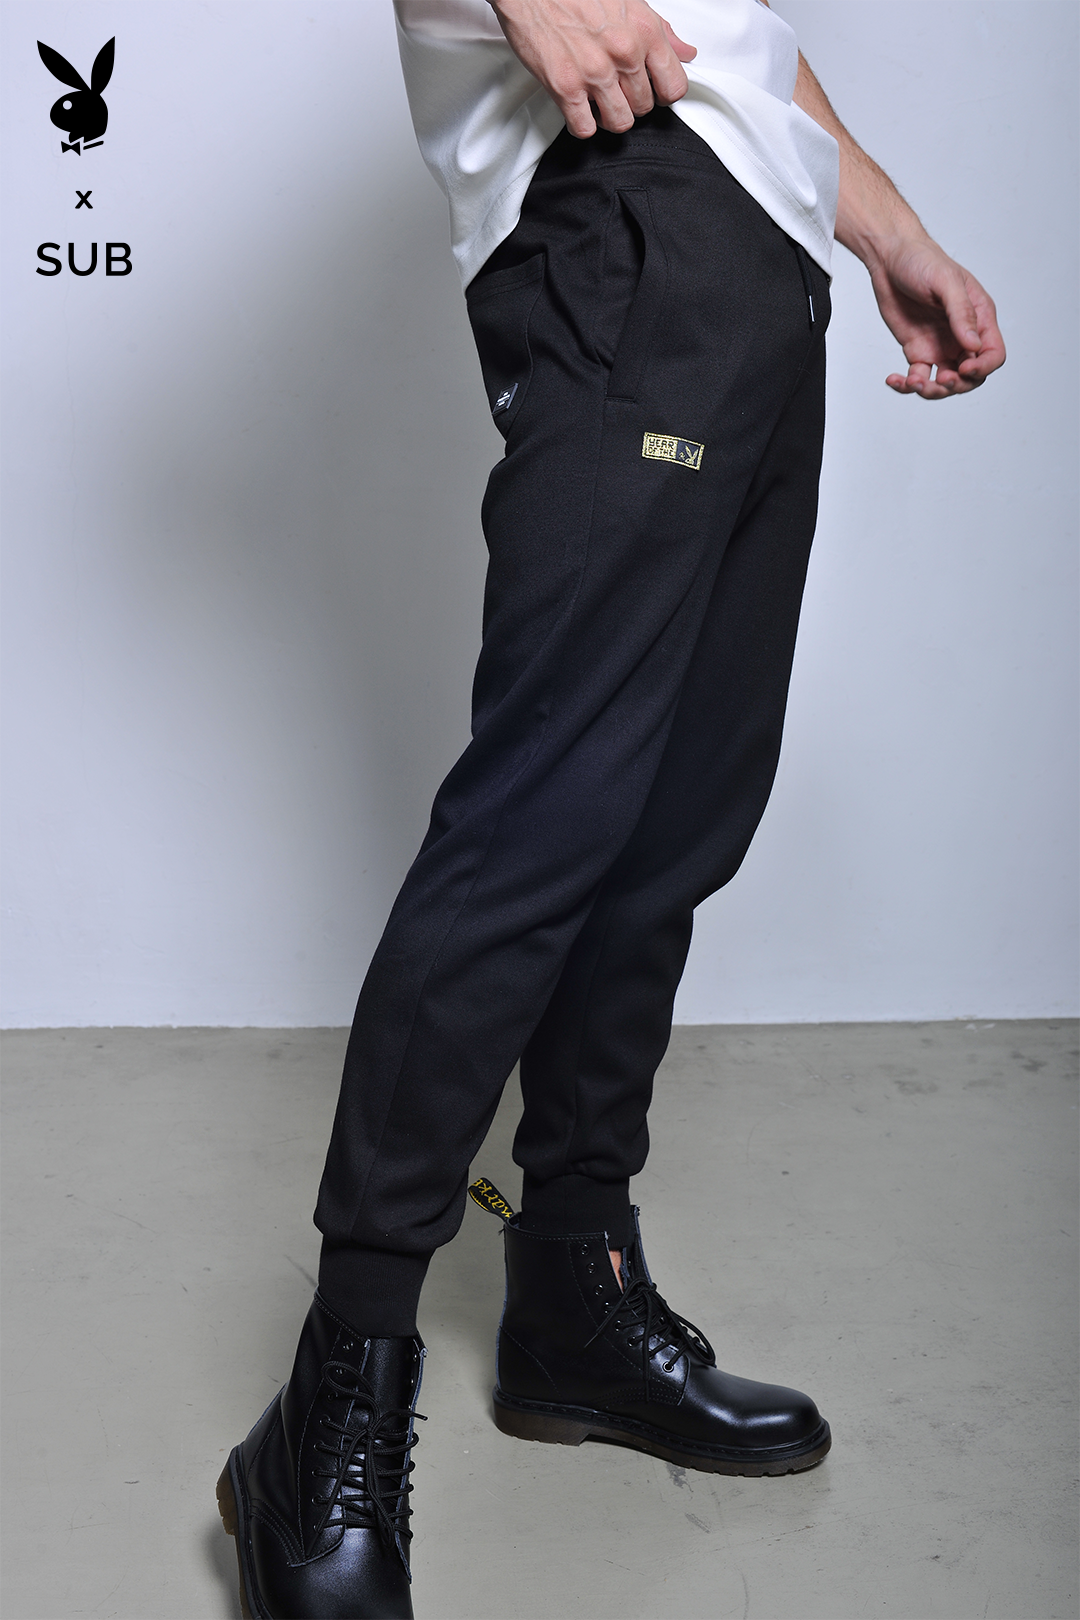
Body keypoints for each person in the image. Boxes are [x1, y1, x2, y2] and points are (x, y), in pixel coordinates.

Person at [216, 2, 1006, 1616]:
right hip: (623, 220)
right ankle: (331, 1400)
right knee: (539, 822)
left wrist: (885, 227)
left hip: (757, 252)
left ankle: (575, 1293)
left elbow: (737, 35)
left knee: (670, 828)